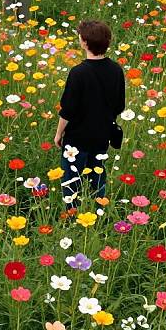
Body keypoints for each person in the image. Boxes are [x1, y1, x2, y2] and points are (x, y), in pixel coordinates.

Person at [54, 21, 125, 209]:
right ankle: (97, 210)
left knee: (71, 179)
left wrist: (59, 134)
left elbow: (68, 110)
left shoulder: (78, 73)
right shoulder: (116, 70)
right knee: (98, 176)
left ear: (84, 42)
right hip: (102, 135)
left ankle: (71, 214)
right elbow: (119, 105)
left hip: (76, 138)